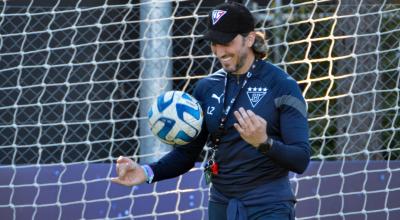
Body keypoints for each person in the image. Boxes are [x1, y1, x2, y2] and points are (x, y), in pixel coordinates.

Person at [111, 2, 310, 220]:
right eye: (215, 42)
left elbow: (300, 159)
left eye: (226, 41)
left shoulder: (281, 85)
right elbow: (187, 154)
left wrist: (264, 143)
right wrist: (147, 172)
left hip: (268, 206)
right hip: (221, 204)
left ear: (250, 39)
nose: (219, 50)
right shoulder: (206, 88)